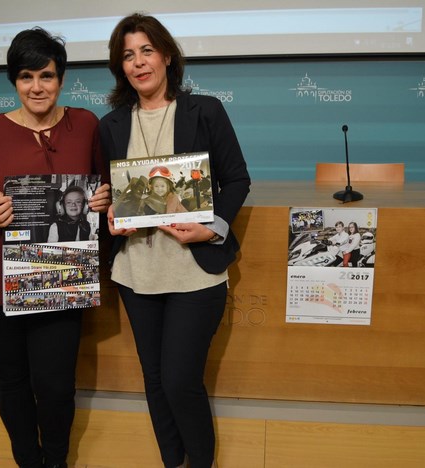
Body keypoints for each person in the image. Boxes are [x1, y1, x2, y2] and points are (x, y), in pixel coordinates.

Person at [0, 27, 111, 468]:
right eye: (27, 76)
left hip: (56, 275)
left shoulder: (85, 124)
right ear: (14, 80)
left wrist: (103, 198)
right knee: (11, 382)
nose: (37, 87)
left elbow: (105, 187)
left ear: (62, 79)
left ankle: (56, 461)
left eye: (47, 76)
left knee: (55, 385)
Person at [99, 13, 251, 468]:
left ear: (166, 55)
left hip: (194, 269)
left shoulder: (204, 109)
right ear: (119, 66)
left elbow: (238, 180)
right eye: (128, 55)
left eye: (147, 50)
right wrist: (107, 211)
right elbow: (108, 193)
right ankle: (173, 461)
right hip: (135, 272)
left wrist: (213, 227)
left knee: (180, 380)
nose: (138, 62)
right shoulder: (109, 125)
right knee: (155, 380)